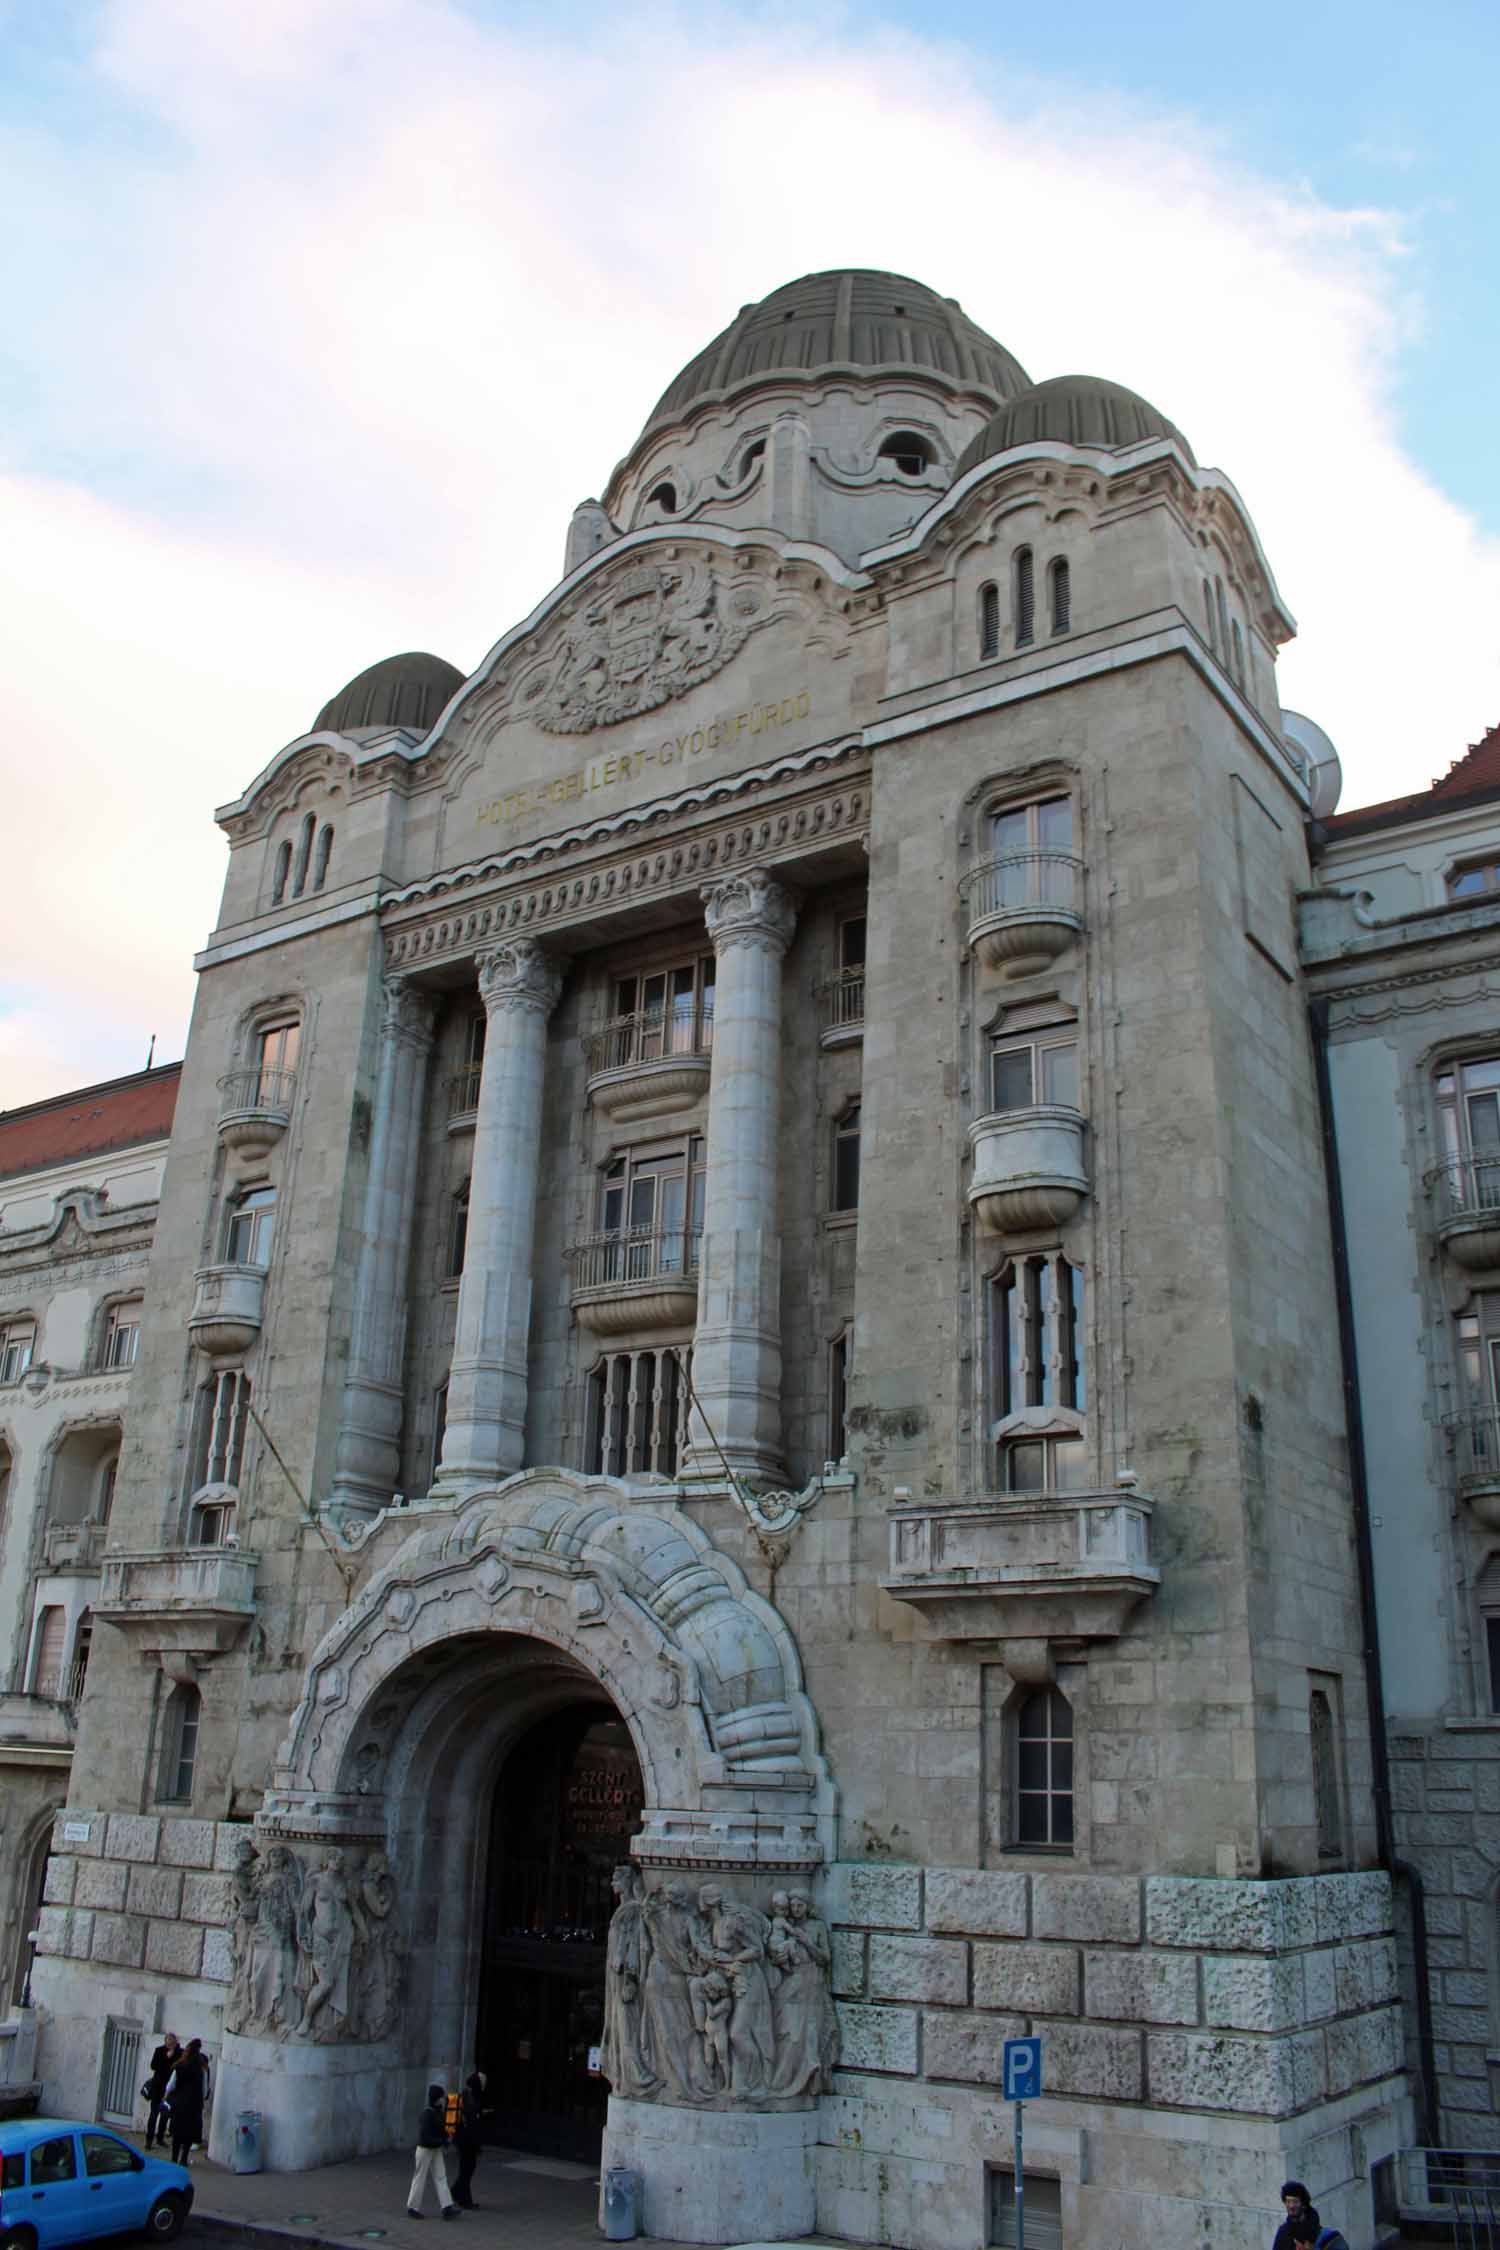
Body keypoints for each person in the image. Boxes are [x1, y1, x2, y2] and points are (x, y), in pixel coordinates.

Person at [407, 2083, 460, 2220]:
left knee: (440, 2176)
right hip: (425, 2149)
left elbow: (439, 2130)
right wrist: (443, 2141)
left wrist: (445, 2138)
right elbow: (425, 2137)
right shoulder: (428, 2114)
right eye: (442, 2097)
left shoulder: (436, 2112)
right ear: (437, 2098)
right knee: (420, 2177)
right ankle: (413, 2207)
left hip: (434, 2149)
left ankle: (447, 2207)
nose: (443, 2099)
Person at [165, 2037, 209, 2166]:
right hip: (194, 2105)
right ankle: (184, 2158)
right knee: (189, 2133)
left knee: (177, 2132)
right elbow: (205, 2091)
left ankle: (174, 2157)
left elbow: (170, 2086)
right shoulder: (202, 2070)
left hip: (179, 2104)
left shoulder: (179, 2066)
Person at [451, 2072, 486, 2209]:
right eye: (482, 2082)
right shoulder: (470, 2098)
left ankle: (460, 2195)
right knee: (467, 2169)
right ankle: (461, 2196)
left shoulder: (467, 2095)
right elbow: (472, 2122)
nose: (484, 2085)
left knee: (467, 2169)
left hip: (464, 2140)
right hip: (466, 2141)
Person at [143, 2031, 179, 2151]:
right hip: (157, 2089)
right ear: (165, 2042)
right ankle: (149, 2141)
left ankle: (160, 2138)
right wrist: (166, 2057)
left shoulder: (178, 2053)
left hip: (169, 2090)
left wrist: (175, 2051)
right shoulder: (159, 2051)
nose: (170, 2044)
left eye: (173, 2042)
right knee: (153, 2115)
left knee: (165, 2115)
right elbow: (153, 2066)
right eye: (168, 2042)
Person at [1273, 2183, 1320, 2250]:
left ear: (1303, 2204)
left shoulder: (1320, 2234)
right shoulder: (1283, 2233)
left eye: (1295, 2201)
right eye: (1288, 2201)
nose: (1291, 2206)